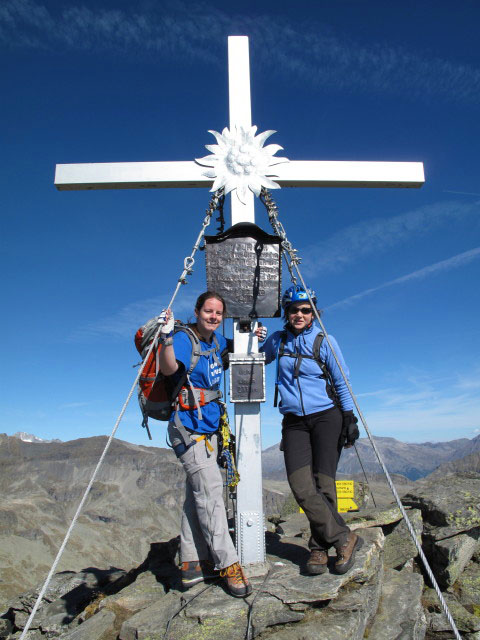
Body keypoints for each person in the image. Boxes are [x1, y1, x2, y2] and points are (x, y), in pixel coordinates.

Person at [158, 291, 256, 597]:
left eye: (218, 313)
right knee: (211, 495)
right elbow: (170, 368)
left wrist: (257, 337)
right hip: (188, 429)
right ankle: (229, 564)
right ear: (197, 311)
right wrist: (165, 339)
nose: (213, 317)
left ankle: (191, 564)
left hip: (210, 428)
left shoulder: (216, 342)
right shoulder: (186, 339)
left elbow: (243, 351)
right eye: (208, 311)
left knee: (195, 497)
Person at [259, 284, 362, 575]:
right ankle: (344, 537)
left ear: (314, 312)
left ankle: (319, 549)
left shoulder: (324, 340)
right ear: (286, 313)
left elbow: (342, 382)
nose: (300, 314)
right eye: (294, 309)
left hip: (328, 417)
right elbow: (258, 358)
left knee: (324, 483)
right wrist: (254, 338)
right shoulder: (278, 341)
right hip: (294, 421)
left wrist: (349, 417)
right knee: (302, 486)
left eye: (306, 309)